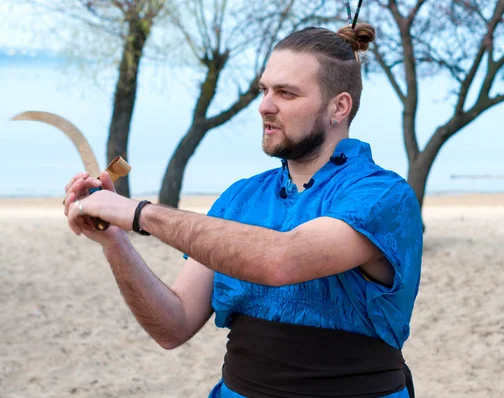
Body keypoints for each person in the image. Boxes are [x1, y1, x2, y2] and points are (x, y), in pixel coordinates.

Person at [64, 22, 423, 398]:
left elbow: (281, 260)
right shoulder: (241, 197)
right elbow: (173, 325)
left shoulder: (382, 195)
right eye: (264, 90)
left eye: (286, 93)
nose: (264, 106)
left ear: (339, 106)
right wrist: (115, 241)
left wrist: (139, 213)